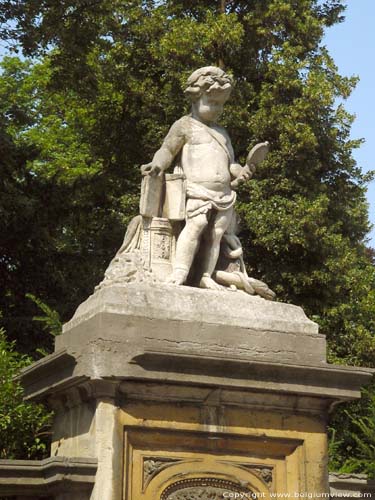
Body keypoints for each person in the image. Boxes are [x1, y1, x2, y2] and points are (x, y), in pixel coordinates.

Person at [141, 66, 252, 290]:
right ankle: (180, 271)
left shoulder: (223, 133)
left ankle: (205, 275)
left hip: (224, 195)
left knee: (216, 235)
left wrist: (239, 171)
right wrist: (157, 164)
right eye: (213, 103)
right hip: (197, 190)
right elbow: (167, 150)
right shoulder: (184, 125)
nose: (218, 109)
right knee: (196, 225)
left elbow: (230, 163)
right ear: (196, 97)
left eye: (221, 104)